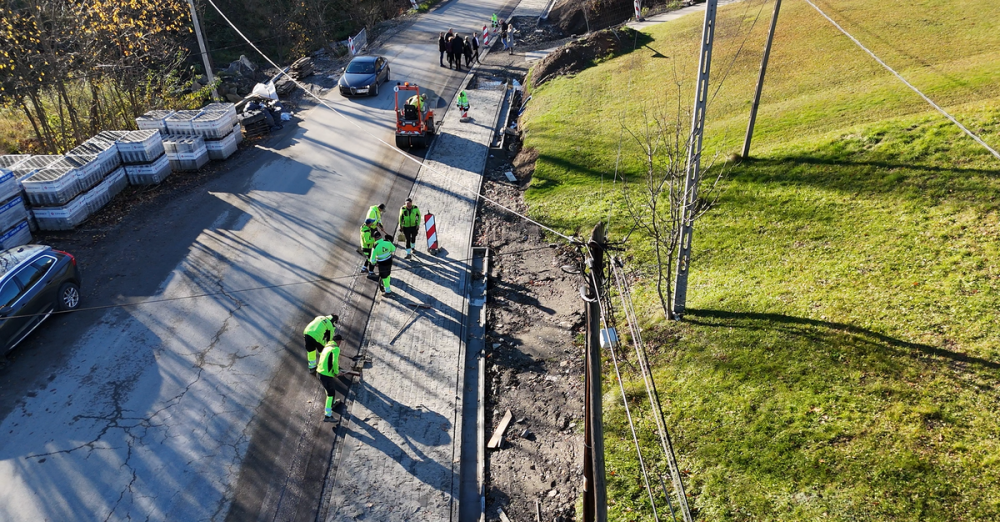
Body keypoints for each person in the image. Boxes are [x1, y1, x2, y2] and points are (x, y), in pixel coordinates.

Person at [317, 334, 345, 422]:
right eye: (340, 342)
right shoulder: (335, 349)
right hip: (326, 375)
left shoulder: (327, 347)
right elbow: (334, 362)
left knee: (328, 390)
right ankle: (328, 416)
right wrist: (337, 372)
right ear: (338, 342)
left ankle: (332, 403)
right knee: (331, 393)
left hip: (320, 372)